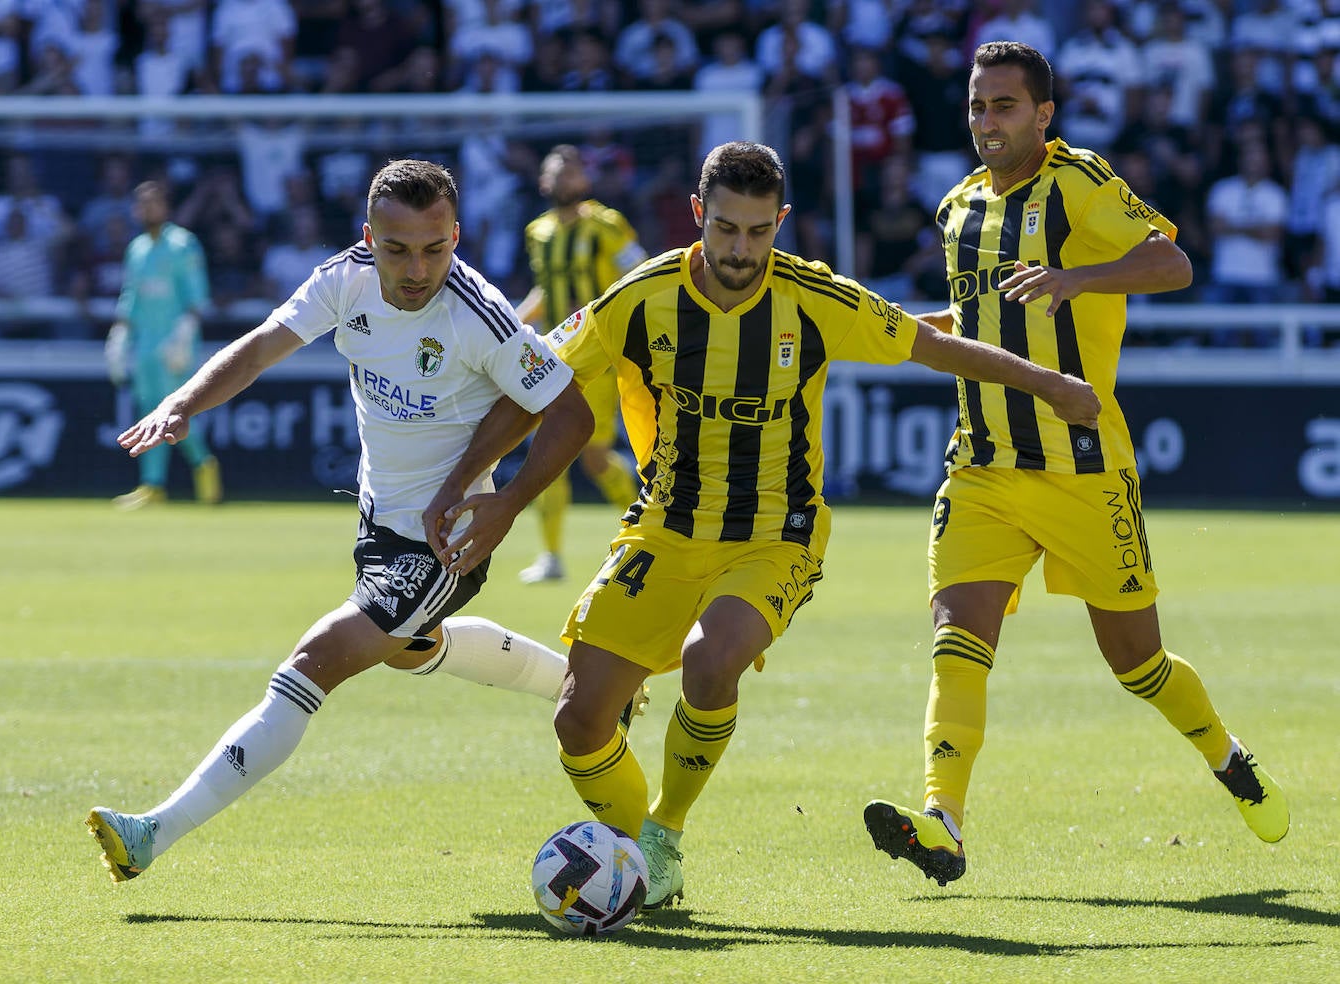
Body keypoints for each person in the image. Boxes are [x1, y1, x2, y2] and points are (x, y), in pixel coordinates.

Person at [525, 140, 1101, 909]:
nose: (741, 249)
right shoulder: (643, 295)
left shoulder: (813, 297)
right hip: (663, 527)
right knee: (578, 717)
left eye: (759, 232)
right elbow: (537, 373)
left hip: (776, 533)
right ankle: (632, 857)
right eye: (726, 229)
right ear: (699, 216)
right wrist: (473, 481)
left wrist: (1049, 382)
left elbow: (929, 345)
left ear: (781, 222)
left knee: (711, 660)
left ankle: (661, 837)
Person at [84, 159, 596, 884]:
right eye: (397, 249)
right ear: (369, 238)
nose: (417, 268)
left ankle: (152, 832)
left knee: (312, 662)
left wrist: (505, 503)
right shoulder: (344, 280)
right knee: (412, 648)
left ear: (457, 235)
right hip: (378, 523)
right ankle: (582, 683)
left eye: (434, 248)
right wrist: (184, 403)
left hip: (443, 540)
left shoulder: (479, 314)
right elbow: (262, 345)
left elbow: (570, 414)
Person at [861, 42, 1288, 890]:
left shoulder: (1080, 181)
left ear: (1043, 115)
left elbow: (1173, 263)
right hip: (981, 465)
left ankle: (1225, 756)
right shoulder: (955, 209)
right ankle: (941, 821)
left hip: (1083, 467)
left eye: (1006, 106)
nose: (988, 121)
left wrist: (1075, 278)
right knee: (956, 639)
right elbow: (973, 315)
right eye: (979, 106)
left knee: (1138, 665)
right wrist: (884, 331)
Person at [512, 145, 647, 583]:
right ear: (544, 183)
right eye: (558, 173)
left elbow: (641, 272)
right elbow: (546, 290)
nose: (566, 180)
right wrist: (512, 322)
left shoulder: (606, 225)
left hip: (602, 358)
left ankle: (641, 534)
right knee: (546, 456)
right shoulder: (538, 232)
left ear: (585, 182)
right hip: (553, 360)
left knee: (595, 458)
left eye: (573, 172)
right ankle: (551, 557)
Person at [105, 181, 221, 509]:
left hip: (174, 344)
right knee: (146, 413)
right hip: (145, 344)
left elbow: (196, 295)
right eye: (142, 204)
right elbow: (131, 296)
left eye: (153, 203)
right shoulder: (137, 249)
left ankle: (205, 469)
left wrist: (185, 333)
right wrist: (119, 335)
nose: (147, 209)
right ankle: (152, 485)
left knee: (176, 413)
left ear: (165, 207)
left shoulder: (183, 245)